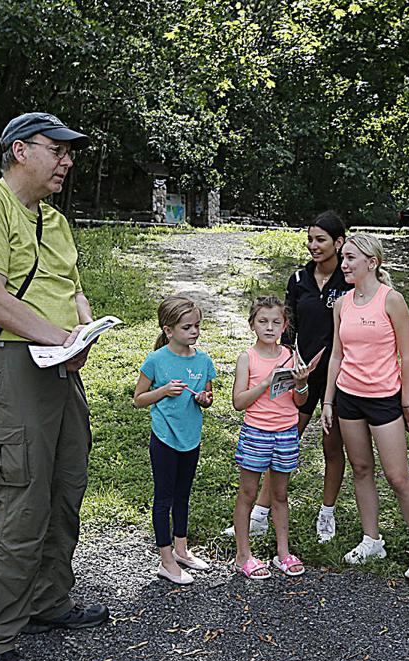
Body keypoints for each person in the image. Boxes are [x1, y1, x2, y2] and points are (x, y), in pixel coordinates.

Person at [0, 112, 107, 661]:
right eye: (57, 150)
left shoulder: (54, 220)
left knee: (66, 485)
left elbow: (71, 288)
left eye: (70, 152)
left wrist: (83, 332)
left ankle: (48, 600)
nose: (66, 161)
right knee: (22, 501)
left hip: (60, 365)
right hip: (12, 367)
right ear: (21, 151)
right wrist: (58, 337)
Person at [321, 233, 409, 582]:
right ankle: (372, 538)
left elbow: (408, 356)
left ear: (372, 263)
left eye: (351, 259)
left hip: (385, 399)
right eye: (343, 259)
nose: (344, 265)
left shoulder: (392, 300)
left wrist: (406, 401)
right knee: (360, 469)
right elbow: (337, 355)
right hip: (348, 398)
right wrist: (327, 401)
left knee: (398, 477)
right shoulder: (341, 304)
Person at [230, 212, 352, 542]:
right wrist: (284, 366)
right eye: (310, 239)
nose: (313, 245)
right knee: (283, 438)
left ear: (338, 242)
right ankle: (259, 513)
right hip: (300, 373)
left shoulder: (350, 276)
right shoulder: (299, 279)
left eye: (321, 239)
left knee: (332, 444)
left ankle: (327, 513)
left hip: (340, 375)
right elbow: (289, 326)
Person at [132, 295, 215, 586]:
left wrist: (205, 399)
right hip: (165, 439)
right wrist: (163, 391)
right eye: (187, 327)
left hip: (191, 439)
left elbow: (206, 397)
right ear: (168, 331)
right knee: (164, 498)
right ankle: (166, 560)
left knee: (183, 495)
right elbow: (138, 400)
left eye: (197, 326)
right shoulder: (156, 360)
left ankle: (181, 549)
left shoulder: (203, 360)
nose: (194, 332)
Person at [229, 296, 312, 579]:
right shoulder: (247, 358)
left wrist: (301, 384)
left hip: (286, 433)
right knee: (248, 493)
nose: (269, 327)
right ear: (252, 324)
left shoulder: (291, 356)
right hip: (256, 433)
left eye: (276, 322)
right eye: (263, 321)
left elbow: (300, 402)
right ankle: (243, 555)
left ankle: (283, 553)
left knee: (280, 494)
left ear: (285, 325)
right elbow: (238, 402)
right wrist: (265, 382)